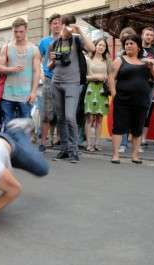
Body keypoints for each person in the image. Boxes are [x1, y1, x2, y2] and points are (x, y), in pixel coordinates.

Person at [109, 34, 154, 164]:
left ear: (138, 47)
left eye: (131, 43)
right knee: (119, 127)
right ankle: (116, 155)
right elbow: (111, 77)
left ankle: (135, 155)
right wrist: (114, 93)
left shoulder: (147, 62)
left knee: (137, 128)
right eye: (126, 44)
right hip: (122, 99)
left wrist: (152, 68)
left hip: (141, 100)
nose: (128, 46)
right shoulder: (120, 60)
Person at [49, 14, 95, 163]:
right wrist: (53, 60)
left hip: (73, 83)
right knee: (61, 118)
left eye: (69, 25)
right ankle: (64, 150)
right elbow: (50, 65)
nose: (65, 28)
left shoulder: (76, 39)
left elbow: (92, 48)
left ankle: (74, 150)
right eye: (64, 24)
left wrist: (79, 31)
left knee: (70, 116)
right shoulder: (55, 42)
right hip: (56, 82)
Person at [0, 18, 41, 126]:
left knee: (26, 125)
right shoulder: (6, 47)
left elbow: (37, 71)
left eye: (21, 31)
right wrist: (11, 69)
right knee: (8, 125)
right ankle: (10, 143)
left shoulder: (34, 49)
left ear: (26, 31)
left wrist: (34, 92)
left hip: (26, 94)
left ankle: (23, 143)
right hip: (8, 94)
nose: (18, 34)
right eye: (15, 32)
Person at [38, 13, 62, 152]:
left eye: (59, 22)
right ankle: (43, 141)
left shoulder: (67, 40)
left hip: (63, 80)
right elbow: (38, 59)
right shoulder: (44, 42)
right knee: (47, 112)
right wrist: (41, 74)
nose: (57, 25)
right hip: (48, 78)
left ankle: (57, 138)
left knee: (60, 111)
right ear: (50, 25)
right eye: (54, 23)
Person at [84, 38, 111, 152]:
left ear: (105, 48)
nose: (101, 47)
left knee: (99, 118)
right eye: (99, 45)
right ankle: (89, 144)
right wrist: (95, 77)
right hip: (91, 89)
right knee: (90, 117)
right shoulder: (88, 60)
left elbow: (110, 76)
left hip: (102, 90)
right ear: (95, 46)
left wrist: (107, 80)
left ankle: (97, 143)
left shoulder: (107, 61)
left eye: (103, 46)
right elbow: (83, 77)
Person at [140, 26, 154, 148]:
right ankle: (132, 137)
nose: (149, 37)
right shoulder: (136, 48)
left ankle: (143, 139)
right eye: (147, 34)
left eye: (151, 35)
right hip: (137, 84)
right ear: (142, 35)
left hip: (149, 86)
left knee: (147, 112)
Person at [117, 27, 137, 154]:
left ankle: (135, 143)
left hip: (136, 90)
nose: (126, 38)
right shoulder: (119, 55)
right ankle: (123, 143)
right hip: (122, 89)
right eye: (124, 37)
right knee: (123, 118)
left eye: (129, 36)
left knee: (134, 118)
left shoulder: (138, 54)